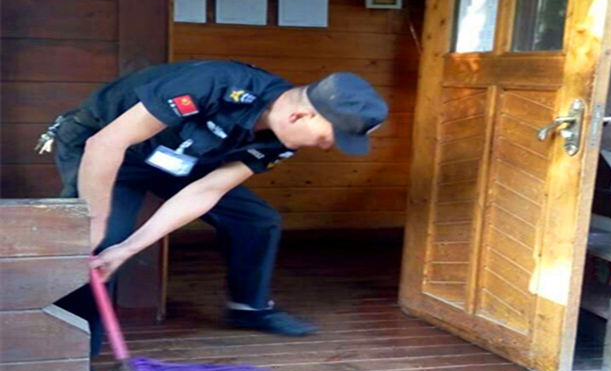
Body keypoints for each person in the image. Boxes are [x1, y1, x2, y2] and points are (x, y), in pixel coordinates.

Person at [39, 60, 388, 355]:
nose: (326, 147)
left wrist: (129, 249)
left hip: (180, 159)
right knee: (95, 242)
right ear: (299, 116)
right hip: (106, 146)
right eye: (328, 138)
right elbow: (106, 144)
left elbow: (208, 190)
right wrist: (96, 219)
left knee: (256, 220)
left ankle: (248, 308)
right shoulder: (214, 84)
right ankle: (70, 352)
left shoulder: (281, 139)